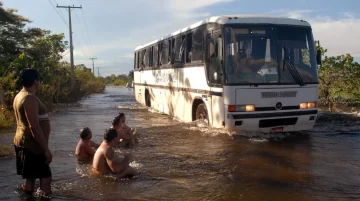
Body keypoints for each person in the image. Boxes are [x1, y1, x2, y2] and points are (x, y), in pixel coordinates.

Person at [13, 68, 52, 197]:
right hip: (33, 145)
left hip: (25, 143)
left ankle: (27, 196)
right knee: (45, 179)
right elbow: (34, 126)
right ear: (35, 81)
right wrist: (46, 149)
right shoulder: (29, 98)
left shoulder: (20, 95)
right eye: (39, 80)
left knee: (30, 179)